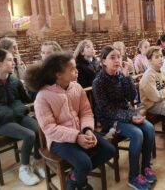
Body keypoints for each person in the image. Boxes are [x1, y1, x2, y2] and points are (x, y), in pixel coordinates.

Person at [26, 52, 115, 190]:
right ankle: (81, 183)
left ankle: (74, 176)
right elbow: (50, 128)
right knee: (84, 163)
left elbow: (86, 112)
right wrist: (76, 137)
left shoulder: (77, 87)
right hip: (58, 141)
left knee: (109, 150)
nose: (77, 70)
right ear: (58, 75)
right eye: (72, 69)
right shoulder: (43, 97)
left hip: (80, 132)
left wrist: (87, 130)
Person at [93, 46, 156, 190]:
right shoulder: (99, 82)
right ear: (103, 61)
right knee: (137, 134)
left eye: (119, 57)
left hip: (125, 113)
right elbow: (106, 109)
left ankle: (146, 166)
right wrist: (131, 117)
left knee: (149, 128)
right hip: (109, 119)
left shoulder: (120, 75)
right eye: (112, 57)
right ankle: (133, 176)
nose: (117, 60)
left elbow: (131, 96)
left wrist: (127, 76)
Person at [0, 50, 44, 186]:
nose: (13, 62)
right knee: (29, 135)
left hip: (18, 116)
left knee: (39, 129)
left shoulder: (14, 81)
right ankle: (24, 168)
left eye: (13, 59)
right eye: (9, 60)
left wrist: (38, 90)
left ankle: (38, 162)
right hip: (1, 122)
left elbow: (26, 99)